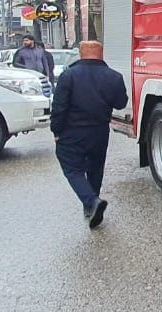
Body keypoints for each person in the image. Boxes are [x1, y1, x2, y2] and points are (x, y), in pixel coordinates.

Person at [51, 41, 130, 227]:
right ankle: (91, 207)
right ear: (101, 54)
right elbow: (121, 103)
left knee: (72, 168)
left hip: (72, 131)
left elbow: (59, 107)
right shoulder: (114, 77)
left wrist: (56, 130)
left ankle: (92, 202)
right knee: (96, 168)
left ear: (80, 54)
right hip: (99, 131)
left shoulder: (68, 76)